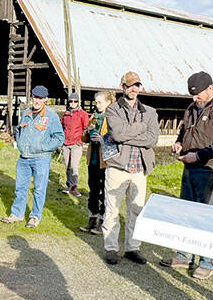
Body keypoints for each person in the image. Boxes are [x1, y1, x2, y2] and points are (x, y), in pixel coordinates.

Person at [162, 70, 213, 279]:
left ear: (210, 89)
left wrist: (198, 156)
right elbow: (184, 131)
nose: (194, 98)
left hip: (210, 167)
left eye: (197, 94)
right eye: (192, 94)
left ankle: (206, 261)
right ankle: (183, 254)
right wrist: (179, 144)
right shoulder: (192, 107)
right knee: (185, 211)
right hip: (189, 165)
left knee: (208, 216)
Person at [100, 73, 159, 263]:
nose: (133, 89)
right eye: (130, 85)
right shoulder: (113, 110)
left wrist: (128, 134)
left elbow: (153, 139)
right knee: (112, 210)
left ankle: (132, 248)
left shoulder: (150, 112)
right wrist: (141, 128)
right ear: (122, 86)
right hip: (118, 167)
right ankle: (111, 248)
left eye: (137, 86)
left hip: (139, 169)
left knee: (136, 210)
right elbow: (116, 134)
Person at [2, 85, 64, 227]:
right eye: (35, 97)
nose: (37, 100)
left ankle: (35, 217)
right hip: (24, 158)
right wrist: (20, 143)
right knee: (20, 187)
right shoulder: (26, 113)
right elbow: (19, 130)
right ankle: (16, 214)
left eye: (40, 98)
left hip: (41, 158)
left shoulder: (51, 116)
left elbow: (59, 138)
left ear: (46, 100)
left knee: (39, 189)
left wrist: (44, 147)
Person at [78, 90, 114, 234]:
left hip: (104, 161)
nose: (97, 105)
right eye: (96, 102)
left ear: (108, 102)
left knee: (103, 192)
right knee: (92, 191)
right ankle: (91, 220)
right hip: (92, 159)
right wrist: (88, 132)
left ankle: (103, 222)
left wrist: (103, 139)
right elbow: (83, 138)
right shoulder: (94, 117)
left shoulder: (111, 118)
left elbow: (116, 139)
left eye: (99, 102)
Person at [60, 94, 90, 196]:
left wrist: (81, 141)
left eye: (75, 101)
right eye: (71, 101)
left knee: (74, 166)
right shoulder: (66, 114)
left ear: (78, 102)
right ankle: (69, 185)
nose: (73, 103)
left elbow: (86, 128)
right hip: (66, 143)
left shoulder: (83, 114)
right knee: (67, 165)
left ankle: (74, 187)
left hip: (76, 144)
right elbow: (61, 127)